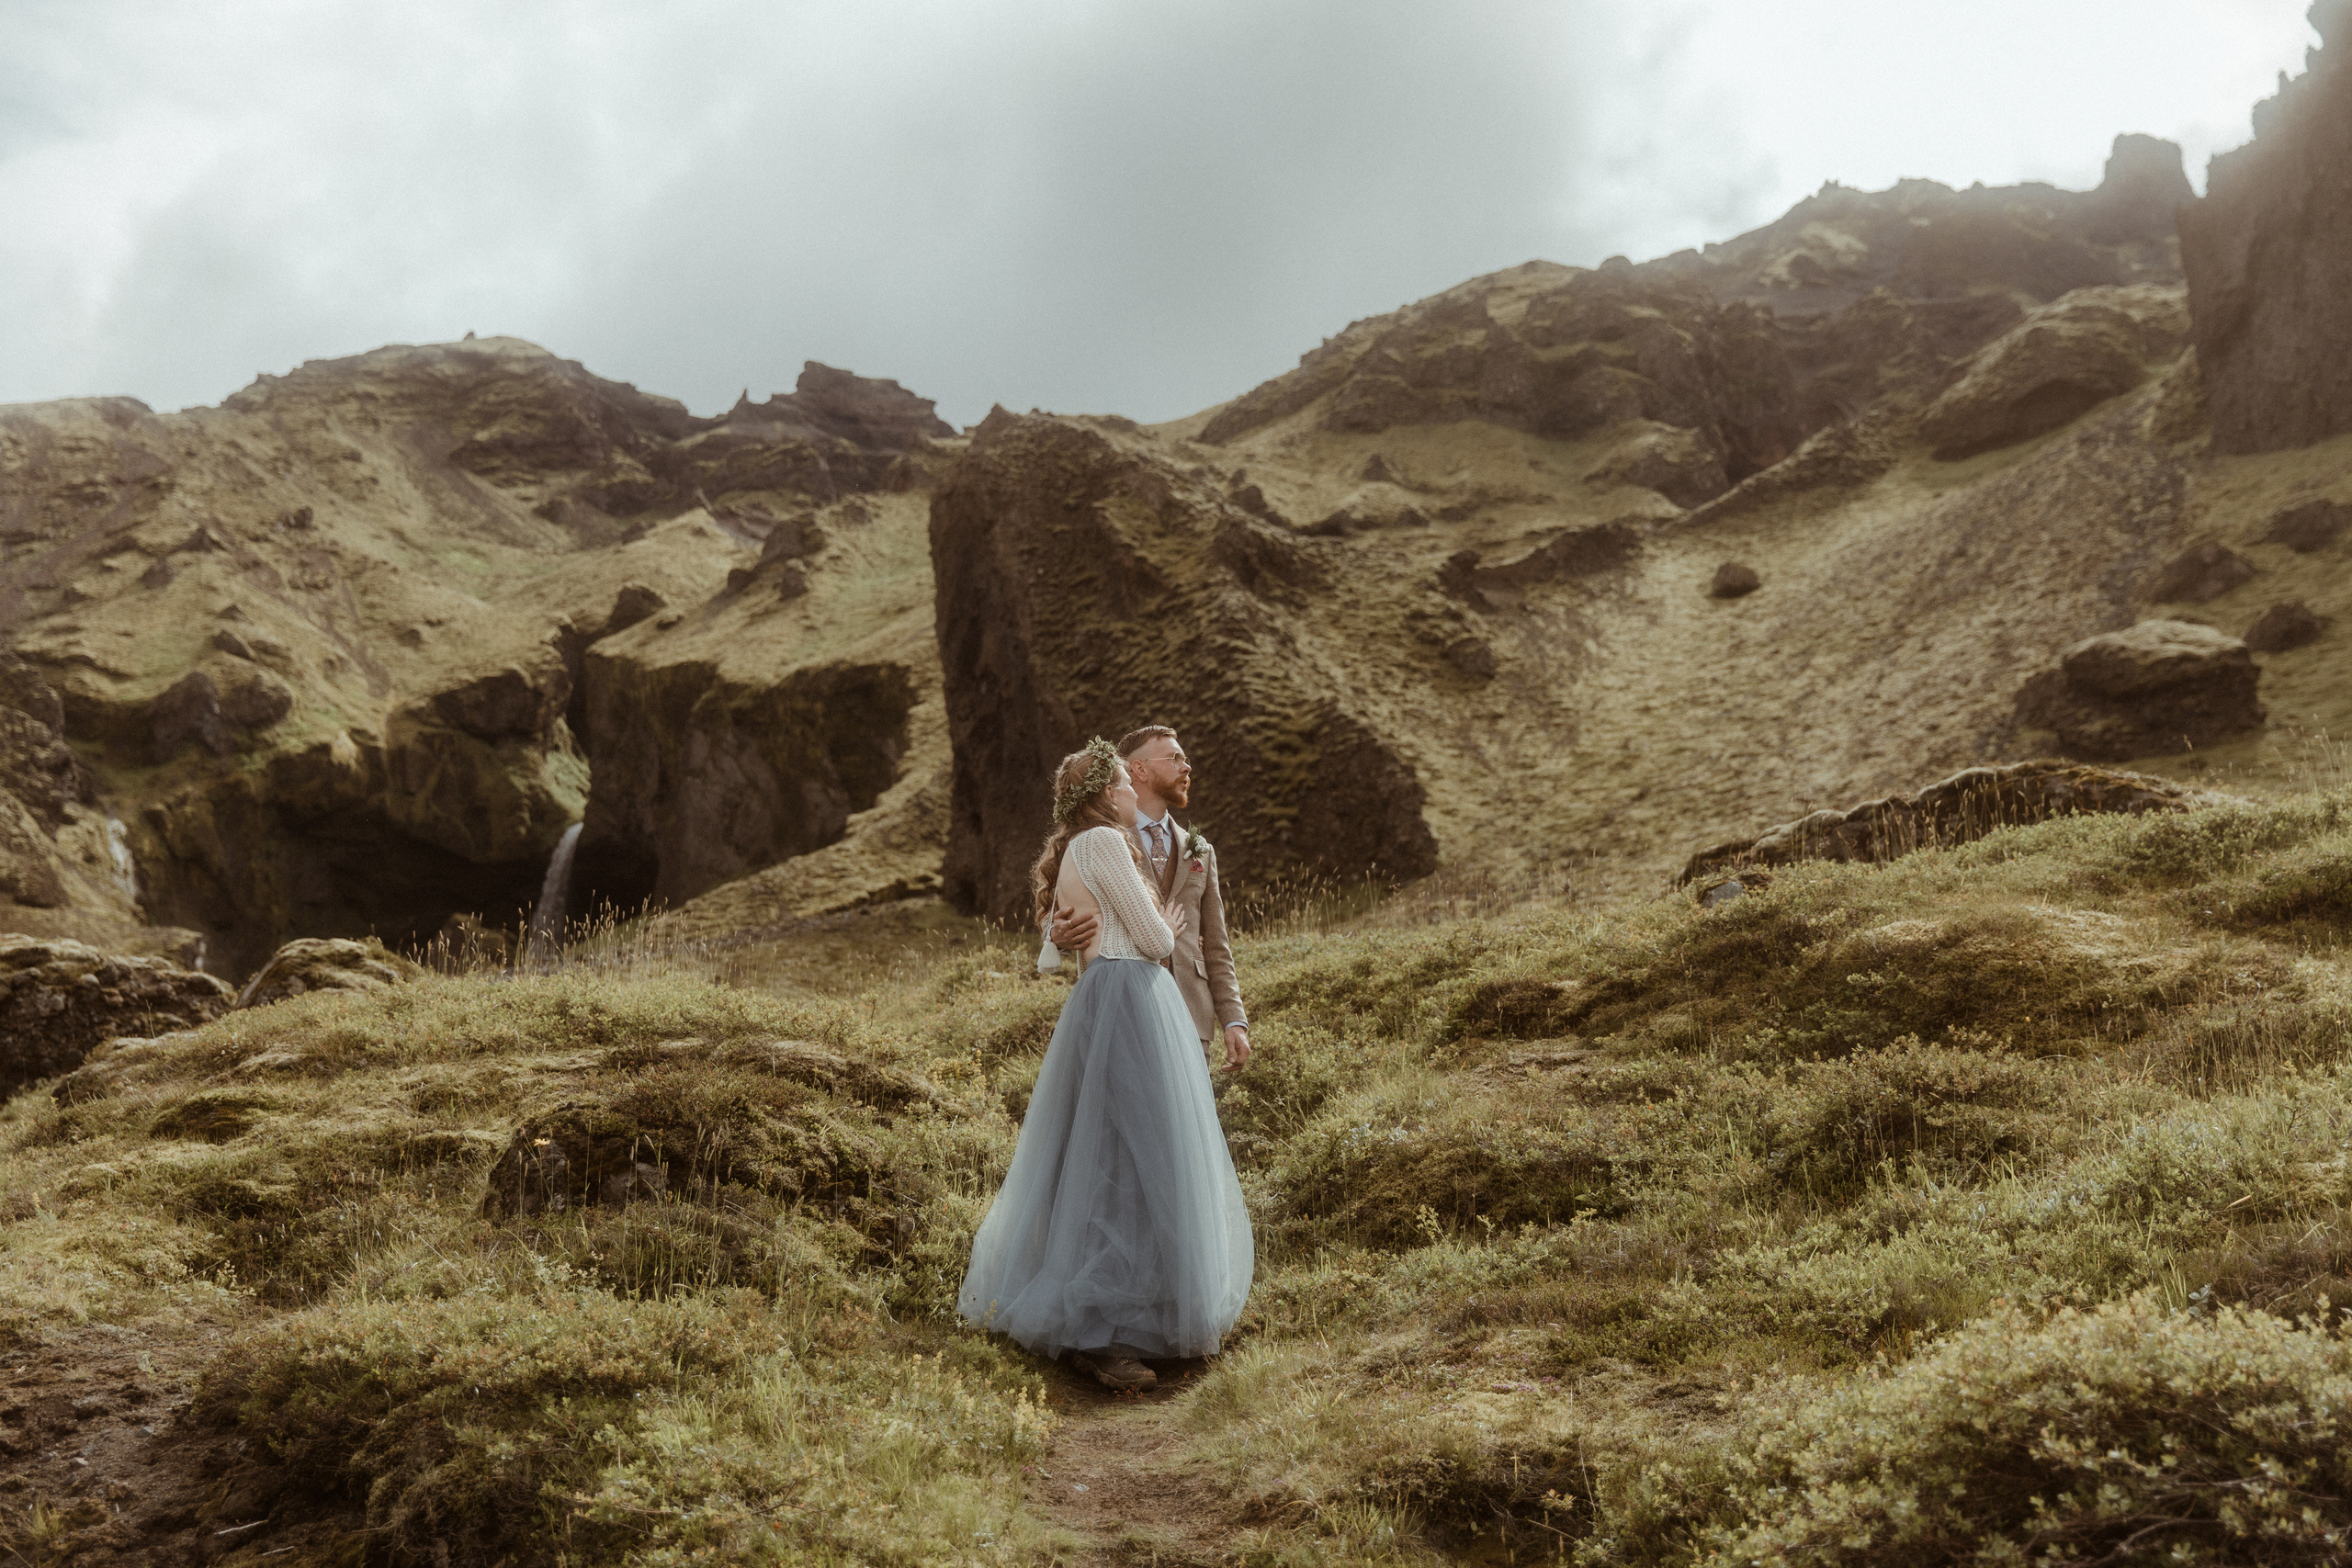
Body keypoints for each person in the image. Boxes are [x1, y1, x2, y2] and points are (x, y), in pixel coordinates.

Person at [958, 738, 1254, 1392]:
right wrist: (1160, 918)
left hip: (1130, 1004)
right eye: (1121, 778)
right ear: (1106, 790)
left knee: (1126, 1157)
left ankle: (1135, 1312)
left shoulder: (1090, 847)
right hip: (1130, 1000)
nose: (1129, 787)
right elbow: (1151, 939)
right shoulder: (1105, 843)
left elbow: (1195, 938)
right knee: (1137, 1156)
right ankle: (1107, 1325)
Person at [1042, 726, 1250, 1071]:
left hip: (1192, 1014)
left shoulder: (1202, 851)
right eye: (1175, 758)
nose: (1187, 767)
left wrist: (1233, 1020)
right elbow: (1060, 904)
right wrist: (1055, 934)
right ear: (1139, 770)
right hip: (1126, 1008)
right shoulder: (1101, 838)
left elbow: (1216, 944)